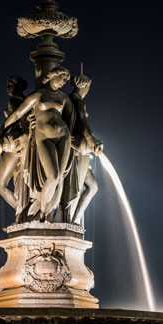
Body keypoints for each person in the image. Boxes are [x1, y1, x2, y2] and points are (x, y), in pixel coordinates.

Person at [0, 66, 75, 220]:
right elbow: (19, 113)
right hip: (44, 137)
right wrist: (3, 128)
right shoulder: (38, 95)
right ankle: (43, 211)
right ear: (53, 75)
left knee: (60, 178)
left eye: (66, 80)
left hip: (63, 136)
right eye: (62, 78)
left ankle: (49, 214)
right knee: (52, 176)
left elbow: (71, 119)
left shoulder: (63, 98)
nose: (63, 82)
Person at [63, 74, 103, 224]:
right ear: (85, 87)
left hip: (76, 148)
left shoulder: (67, 100)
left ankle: (75, 219)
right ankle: (71, 219)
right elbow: (83, 124)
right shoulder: (77, 102)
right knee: (80, 187)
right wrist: (92, 142)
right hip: (78, 151)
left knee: (92, 186)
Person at [0, 76, 29, 210]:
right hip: (20, 144)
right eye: (8, 84)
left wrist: (3, 130)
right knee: (19, 182)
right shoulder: (27, 102)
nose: (8, 87)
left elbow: (17, 117)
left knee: (0, 185)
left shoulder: (14, 100)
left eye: (11, 84)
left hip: (13, 145)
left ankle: (22, 212)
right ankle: (23, 212)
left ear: (19, 86)